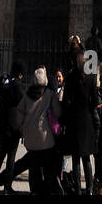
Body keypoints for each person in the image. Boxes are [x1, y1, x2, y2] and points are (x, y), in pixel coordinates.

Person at [19, 66, 63, 196]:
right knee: (48, 167)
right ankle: (47, 189)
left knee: (34, 167)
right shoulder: (49, 95)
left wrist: (22, 129)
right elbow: (58, 112)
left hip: (30, 139)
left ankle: (35, 190)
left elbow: (19, 114)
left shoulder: (27, 95)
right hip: (45, 138)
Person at [62, 47, 97, 195]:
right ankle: (89, 189)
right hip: (86, 119)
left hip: (74, 120)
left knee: (76, 159)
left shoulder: (70, 77)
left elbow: (65, 100)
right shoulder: (91, 78)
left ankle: (77, 189)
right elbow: (95, 100)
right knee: (86, 158)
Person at [0, 61, 25, 194]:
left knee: (0, 155)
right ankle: (7, 186)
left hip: (1, 122)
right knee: (11, 157)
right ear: (20, 73)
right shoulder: (18, 85)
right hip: (13, 125)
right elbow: (23, 103)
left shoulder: (5, 82)